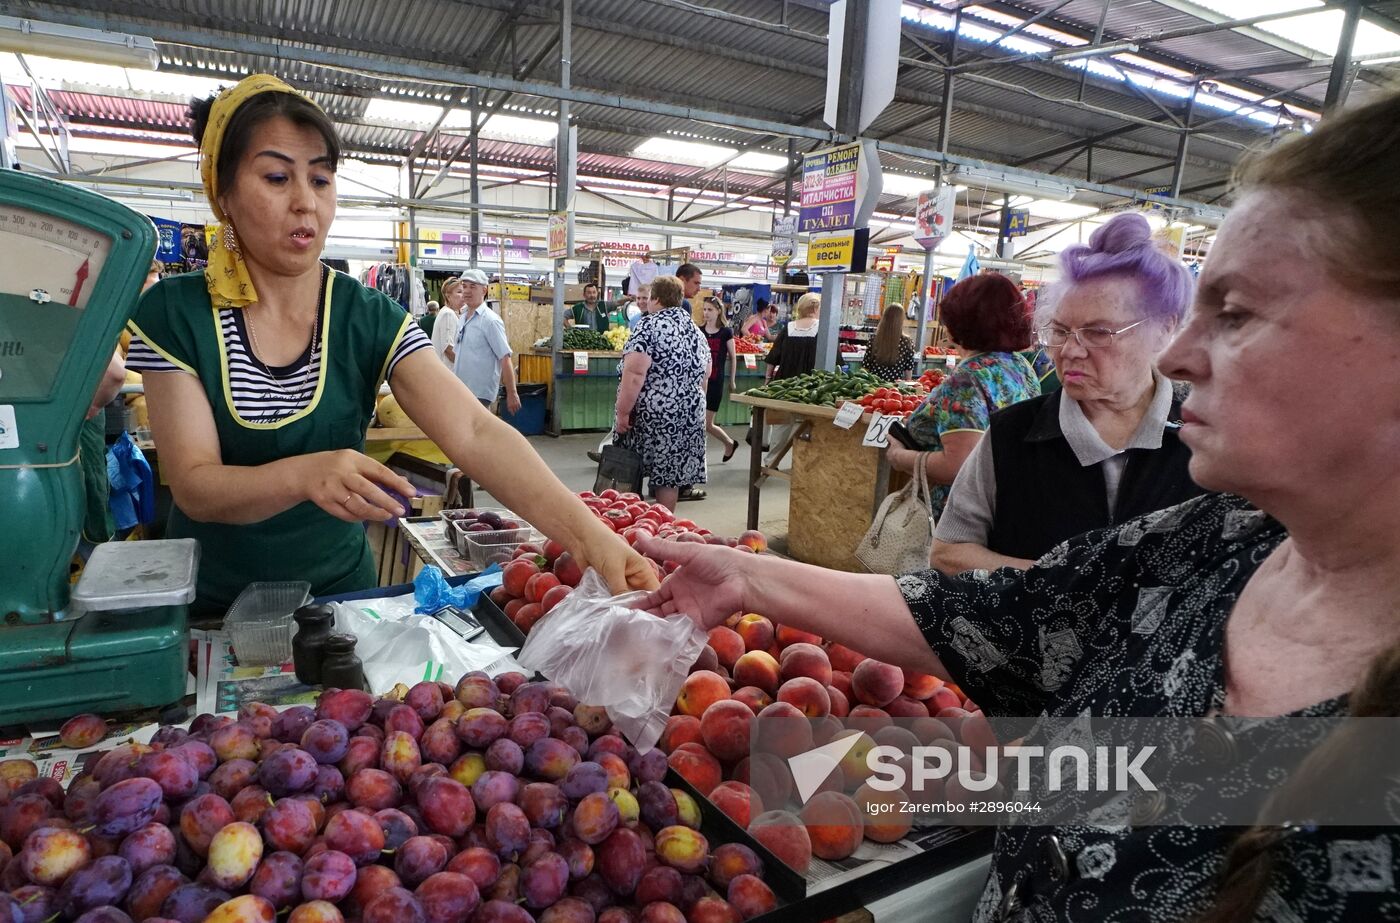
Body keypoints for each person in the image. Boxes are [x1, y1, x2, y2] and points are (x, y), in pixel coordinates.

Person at [635, 91, 1400, 922]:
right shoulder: (1213, 542)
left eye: (1239, 312)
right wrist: (746, 574)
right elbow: (997, 612)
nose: (1179, 357)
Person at [126, 75, 655, 614]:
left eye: (322, 180)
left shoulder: (367, 315)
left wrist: (592, 538)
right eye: (277, 177)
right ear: (224, 193)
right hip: (213, 610)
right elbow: (194, 485)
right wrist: (305, 474)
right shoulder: (176, 313)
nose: (306, 203)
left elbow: (473, 430)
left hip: (342, 602)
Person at [932, 214, 1206, 574]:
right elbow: (947, 553)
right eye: (1060, 331)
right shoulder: (1012, 434)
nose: (1070, 351)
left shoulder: (1205, 435)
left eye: (1098, 333)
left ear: (1164, 328)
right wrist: (1063, 583)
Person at [885, 273, 1041, 521]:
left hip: (955, 518)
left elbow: (957, 466)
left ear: (962, 321)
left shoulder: (967, 379)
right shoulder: (1020, 367)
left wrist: (901, 458)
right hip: (1002, 509)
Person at [614, 275, 709, 511]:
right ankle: (664, 526)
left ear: (655, 298)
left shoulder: (649, 325)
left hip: (653, 414)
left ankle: (627, 520)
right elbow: (706, 373)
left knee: (629, 470)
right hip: (688, 412)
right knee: (670, 475)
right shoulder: (695, 331)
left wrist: (622, 412)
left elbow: (635, 374)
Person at [451, 268, 520, 414]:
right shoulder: (462, 318)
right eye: (464, 286)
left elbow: (505, 358)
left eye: (473, 287)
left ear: (484, 290)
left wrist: (512, 393)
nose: (467, 291)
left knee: (478, 433)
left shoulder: (490, 321)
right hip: (461, 390)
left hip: (479, 393)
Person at [698, 296, 739, 463]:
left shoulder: (725, 332)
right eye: (705, 309)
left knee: (707, 424)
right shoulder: (699, 330)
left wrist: (732, 379)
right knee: (697, 422)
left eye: (710, 310)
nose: (706, 313)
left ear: (718, 311)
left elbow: (733, 356)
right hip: (699, 381)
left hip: (716, 381)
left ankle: (729, 443)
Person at [762, 292, 819, 383]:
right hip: (813, 384)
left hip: (785, 385)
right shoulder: (824, 330)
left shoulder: (789, 327)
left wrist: (767, 380)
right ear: (816, 309)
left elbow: (773, 357)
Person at [862, 303, 915, 381]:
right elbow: (908, 371)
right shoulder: (907, 342)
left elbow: (865, 367)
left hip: (874, 387)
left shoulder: (874, 340)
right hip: (895, 390)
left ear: (884, 318)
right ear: (901, 320)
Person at [431, 279, 461, 368]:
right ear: (448, 296)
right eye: (459, 292)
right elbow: (448, 348)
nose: (463, 296)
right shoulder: (448, 314)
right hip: (447, 370)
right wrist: (464, 364)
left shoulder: (448, 313)